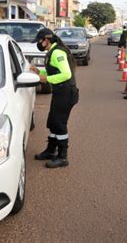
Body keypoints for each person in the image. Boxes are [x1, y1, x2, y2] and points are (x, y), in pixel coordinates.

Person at [31, 28, 79, 168]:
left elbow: (65, 74)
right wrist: (40, 71)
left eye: (39, 41)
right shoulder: (52, 51)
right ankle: (51, 151)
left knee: (59, 124)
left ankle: (62, 157)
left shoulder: (57, 52)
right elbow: (55, 70)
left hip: (66, 93)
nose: (38, 44)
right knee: (52, 122)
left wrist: (45, 78)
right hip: (60, 92)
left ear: (46, 40)